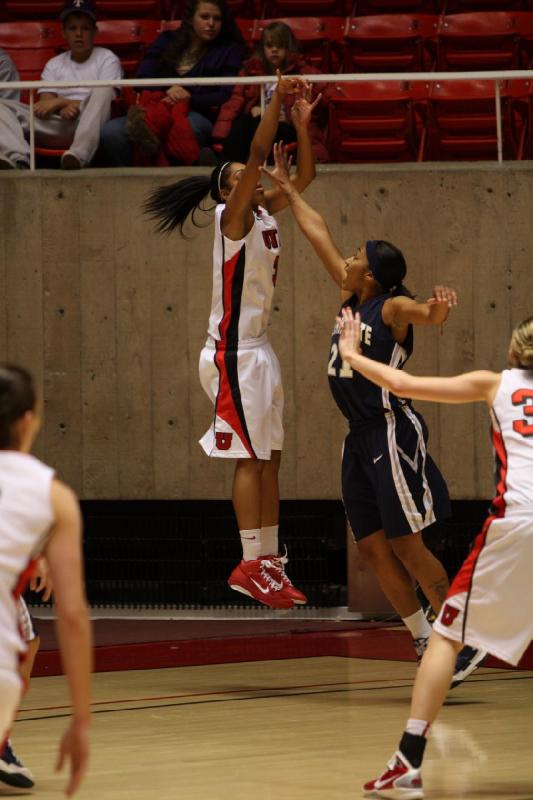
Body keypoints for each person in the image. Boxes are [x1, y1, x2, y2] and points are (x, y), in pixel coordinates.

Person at [262, 144, 485, 682]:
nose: (348, 257)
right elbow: (316, 232)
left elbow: (424, 313)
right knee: (369, 547)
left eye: (357, 254)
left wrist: (439, 307)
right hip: (357, 438)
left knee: (407, 543)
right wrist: (289, 190)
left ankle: (463, 637)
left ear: (373, 274)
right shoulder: (349, 296)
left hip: (391, 430)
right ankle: (425, 639)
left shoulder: (389, 307)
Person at [335, 310, 533, 799]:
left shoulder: (496, 382)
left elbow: (404, 382)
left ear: (514, 351)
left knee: (445, 636)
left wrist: (352, 354)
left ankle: (408, 760)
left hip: (519, 522)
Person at [144, 74, 319, 609]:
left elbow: (305, 176)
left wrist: (304, 128)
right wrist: (275, 102)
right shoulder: (233, 217)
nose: (253, 175)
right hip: (232, 354)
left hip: (258, 350)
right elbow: (260, 146)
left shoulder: (264, 211)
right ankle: (248, 562)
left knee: (271, 457)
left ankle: (267, 560)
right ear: (227, 192)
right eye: (241, 176)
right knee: (249, 458)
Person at [0, 364, 92, 796]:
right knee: (28, 637)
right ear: (29, 420)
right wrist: (81, 721)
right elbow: (72, 616)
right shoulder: (51, 495)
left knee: (27, 635)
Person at [100, 0, 245, 167]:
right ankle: (135, 179)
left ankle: (179, 183)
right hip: (156, 106)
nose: (211, 23)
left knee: (189, 128)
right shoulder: (167, 40)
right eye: (205, 17)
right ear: (191, 19)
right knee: (111, 132)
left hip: (198, 112)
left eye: (217, 19)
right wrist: (169, 90)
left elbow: (224, 95)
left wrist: (189, 96)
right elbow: (141, 79)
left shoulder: (228, 51)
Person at [0, 0, 122, 171]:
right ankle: (18, 159)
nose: (79, 34)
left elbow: (107, 103)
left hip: (90, 125)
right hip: (57, 124)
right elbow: (45, 105)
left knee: (104, 90)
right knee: (2, 106)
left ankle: (79, 155)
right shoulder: (54, 63)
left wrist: (61, 102)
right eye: (72, 28)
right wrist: (60, 106)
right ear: (64, 33)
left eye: (85, 28)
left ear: (95, 32)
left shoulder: (107, 58)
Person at [212, 20, 329, 164]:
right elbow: (234, 102)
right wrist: (220, 135)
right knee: (243, 122)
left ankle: (226, 165)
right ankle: (225, 168)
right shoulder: (250, 71)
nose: (274, 50)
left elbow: (327, 94)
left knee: (255, 125)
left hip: (287, 126)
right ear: (262, 48)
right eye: (269, 45)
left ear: (289, 48)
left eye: (280, 46)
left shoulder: (303, 73)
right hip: (256, 124)